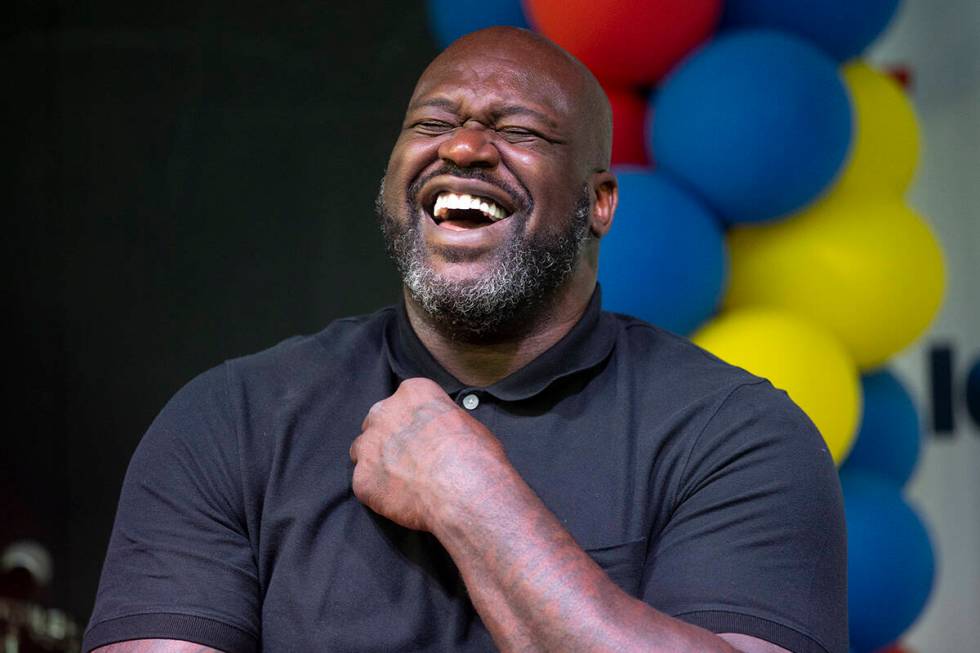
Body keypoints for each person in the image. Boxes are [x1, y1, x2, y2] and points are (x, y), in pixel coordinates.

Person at [84, 27, 846, 653]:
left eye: (518, 130)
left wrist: (476, 500)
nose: (465, 148)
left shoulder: (736, 432)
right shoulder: (232, 419)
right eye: (432, 123)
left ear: (599, 203)